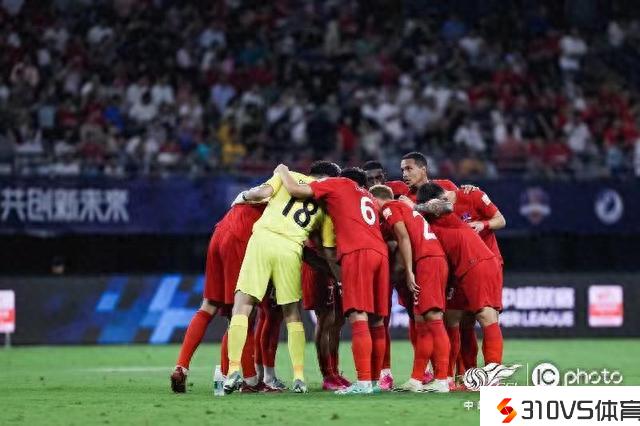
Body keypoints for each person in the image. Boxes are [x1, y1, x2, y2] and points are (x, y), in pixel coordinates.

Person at [223, 161, 340, 394]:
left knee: (243, 305)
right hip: (291, 248)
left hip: (262, 240)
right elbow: (327, 250)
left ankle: (233, 370)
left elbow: (261, 193)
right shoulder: (327, 204)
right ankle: (299, 377)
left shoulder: (289, 175)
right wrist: (338, 275)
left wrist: (243, 196)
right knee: (291, 313)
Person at [276, 166, 389, 395]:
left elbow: (296, 190)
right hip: (380, 253)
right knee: (376, 321)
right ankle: (376, 380)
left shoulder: (338, 184)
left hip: (356, 253)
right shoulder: (366, 195)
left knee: (357, 316)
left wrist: (283, 170)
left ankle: (364, 382)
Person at [416, 183, 505, 387]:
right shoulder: (435, 219)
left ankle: (493, 378)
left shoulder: (446, 210)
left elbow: (445, 205)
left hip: (478, 263)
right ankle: (464, 377)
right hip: (465, 268)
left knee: (487, 316)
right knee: (459, 319)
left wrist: (413, 207)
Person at [170, 203, 265, 393]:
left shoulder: (259, 191)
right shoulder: (287, 193)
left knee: (208, 305)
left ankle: (181, 366)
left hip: (220, 232)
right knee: (243, 313)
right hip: (239, 236)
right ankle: (249, 380)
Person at [371, 185, 451, 393]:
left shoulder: (389, 207)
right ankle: (416, 379)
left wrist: (408, 271)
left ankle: (442, 379)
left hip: (427, 261)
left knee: (434, 320)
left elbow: (404, 237)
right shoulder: (405, 209)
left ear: (375, 199)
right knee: (421, 321)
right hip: (430, 260)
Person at [449, 186, 506, 376]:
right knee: (465, 321)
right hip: (460, 269)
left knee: (487, 315)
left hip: (485, 263)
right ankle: (469, 375)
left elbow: (501, 220)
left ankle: (492, 375)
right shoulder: (436, 210)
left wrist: (483, 224)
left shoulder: (473, 195)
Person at [300, 240, 350, 390]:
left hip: (334, 265)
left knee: (339, 319)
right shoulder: (319, 223)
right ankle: (327, 375)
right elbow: (310, 241)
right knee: (326, 318)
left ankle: (334, 371)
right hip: (318, 265)